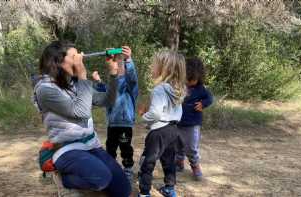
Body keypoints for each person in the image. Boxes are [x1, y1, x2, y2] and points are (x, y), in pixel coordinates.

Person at [33, 41, 131, 197]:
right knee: (101, 178)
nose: (80, 59)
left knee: (123, 190)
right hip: (66, 148)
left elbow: (107, 101)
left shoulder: (74, 82)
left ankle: (86, 175)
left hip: (91, 144)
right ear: (58, 61)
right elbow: (81, 112)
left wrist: (113, 74)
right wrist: (82, 74)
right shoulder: (45, 88)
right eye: (74, 56)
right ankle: (65, 180)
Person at [137, 50, 186, 197]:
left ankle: (144, 192)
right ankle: (170, 189)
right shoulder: (177, 90)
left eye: (154, 65)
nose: (152, 68)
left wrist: (143, 117)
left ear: (164, 69)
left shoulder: (159, 89)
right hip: (173, 130)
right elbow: (179, 113)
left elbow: (156, 114)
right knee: (169, 160)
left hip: (158, 133)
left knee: (148, 162)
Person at [93, 46, 138, 183]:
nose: (118, 67)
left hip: (125, 125)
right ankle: (111, 169)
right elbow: (105, 94)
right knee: (110, 148)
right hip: (112, 124)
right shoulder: (112, 83)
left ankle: (128, 170)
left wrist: (128, 60)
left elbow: (132, 78)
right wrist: (98, 81)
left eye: (121, 65)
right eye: (116, 65)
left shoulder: (130, 86)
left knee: (126, 149)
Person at [176, 57, 213, 181]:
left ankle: (195, 165)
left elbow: (209, 98)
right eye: (187, 79)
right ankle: (179, 163)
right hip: (177, 122)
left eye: (192, 80)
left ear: (199, 77)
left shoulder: (201, 89)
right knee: (178, 145)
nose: (189, 82)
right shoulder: (180, 86)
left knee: (191, 147)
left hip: (192, 124)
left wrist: (203, 104)